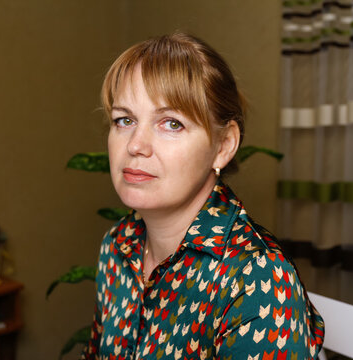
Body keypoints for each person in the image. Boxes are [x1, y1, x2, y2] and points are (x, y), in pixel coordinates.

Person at [82, 33, 324, 360]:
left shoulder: (259, 281)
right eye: (124, 120)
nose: (135, 145)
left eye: (171, 123)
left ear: (223, 146)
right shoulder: (117, 246)